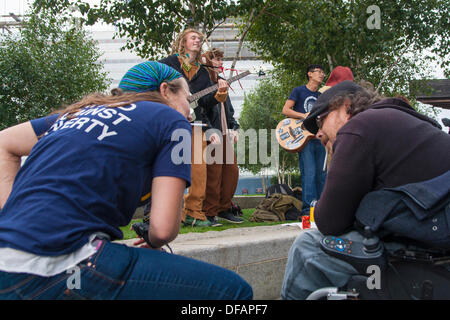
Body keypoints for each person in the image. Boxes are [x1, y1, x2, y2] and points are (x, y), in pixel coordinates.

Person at [0, 61, 253, 300]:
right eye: (187, 100)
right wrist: (154, 240)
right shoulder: (171, 121)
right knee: (234, 293)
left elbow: (4, 143)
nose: (189, 111)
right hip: (60, 263)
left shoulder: (77, 114)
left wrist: (13, 216)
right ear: (165, 91)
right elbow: (163, 229)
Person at [281, 80, 450, 300]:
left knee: (307, 247)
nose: (319, 133)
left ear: (346, 105)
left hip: (426, 243)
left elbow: (329, 221)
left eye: (321, 120)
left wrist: (337, 153)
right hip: (434, 230)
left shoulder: (359, 127)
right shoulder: (406, 122)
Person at [159, 29, 229, 227]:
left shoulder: (203, 70)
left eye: (199, 38)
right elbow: (158, 83)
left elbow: (205, 102)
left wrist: (219, 95)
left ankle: (193, 213)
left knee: (199, 169)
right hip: (170, 121)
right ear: (183, 42)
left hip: (196, 122)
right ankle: (163, 212)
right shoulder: (169, 62)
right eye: (193, 38)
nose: (197, 40)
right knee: (168, 166)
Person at [201, 48, 243, 224]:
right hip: (212, 134)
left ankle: (225, 208)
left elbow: (229, 111)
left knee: (232, 172)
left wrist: (234, 128)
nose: (220, 63)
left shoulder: (222, 81)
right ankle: (210, 212)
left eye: (221, 60)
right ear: (207, 61)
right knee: (214, 174)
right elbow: (201, 110)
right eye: (216, 59)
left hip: (225, 134)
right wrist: (209, 131)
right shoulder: (202, 83)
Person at [282, 64, 327, 215]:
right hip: (303, 139)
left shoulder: (322, 97)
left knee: (322, 175)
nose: (322, 74)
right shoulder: (299, 91)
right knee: (309, 173)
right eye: (318, 72)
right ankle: (308, 211)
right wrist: (304, 115)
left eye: (323, 72)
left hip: (318, 138)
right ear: (309, 74)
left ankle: (322, 209)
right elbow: (285, 110)